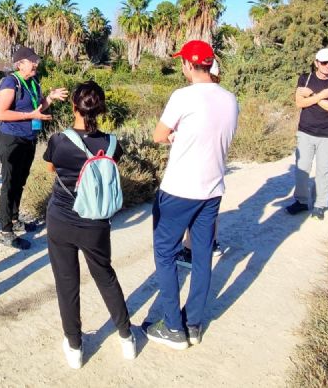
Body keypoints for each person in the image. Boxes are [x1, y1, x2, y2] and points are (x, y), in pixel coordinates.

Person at [145, 40, 238, 349]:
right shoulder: (229, 98)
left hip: (180, 189)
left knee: (165, 253)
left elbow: (159, 135)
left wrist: (175, 136)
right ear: (210, 64)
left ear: (187, 64)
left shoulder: (183, 96)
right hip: (212, 190)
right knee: (201, 256)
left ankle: (172, 326)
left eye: (182, 62)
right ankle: (194, 323)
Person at [44, 81, 135, 369]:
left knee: (67, 282)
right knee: (105, 276)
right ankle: (126, 337)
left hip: (61, 217)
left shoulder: (60, 141)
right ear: (102, 108)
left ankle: (75, 346)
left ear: (73, 106)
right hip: (96, 222)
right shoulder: (112, 143)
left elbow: (51, 168)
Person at [0, 46, 68, 250]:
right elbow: (1, 114)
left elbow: (37, 107)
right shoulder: (11, 82)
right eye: (31, 60)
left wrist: (50, 99)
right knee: (9, 183)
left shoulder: (33, 82)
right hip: (11, 139)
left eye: (36, 60)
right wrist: (30, 116)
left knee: (20, 180)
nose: (36, 63)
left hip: (28, 138)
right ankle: (6, 231)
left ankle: (15, 219)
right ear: (20, 64)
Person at [286, 48, 328, 220]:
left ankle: (320, 204)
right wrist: (321, 95)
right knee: (302, 169)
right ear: (316, 63)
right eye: (324, 63)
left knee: (324, 170)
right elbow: (299, 102)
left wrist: (312, 96)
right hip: (305, 131)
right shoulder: (305, 79)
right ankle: (302, 201)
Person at [175, 58, 223, 268]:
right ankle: (210, 244)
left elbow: (162, 133)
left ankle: (190, 251)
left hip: (192, 166)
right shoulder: (226, 99)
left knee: (190, 210)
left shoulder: (188, 97)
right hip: (215, 167)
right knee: (210, 209)